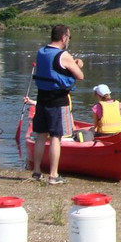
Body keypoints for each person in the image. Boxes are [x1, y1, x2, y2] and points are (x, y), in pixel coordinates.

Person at [31, 24, 84, 185]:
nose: (68, 40)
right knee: (56, 137)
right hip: (58, 101)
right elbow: (80, 76)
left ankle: (36, 171)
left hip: (42, 99)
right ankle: (53, 175)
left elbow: (51, 69)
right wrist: (78, 65)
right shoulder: (64, 55)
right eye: (69, 37)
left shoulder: (41, 52)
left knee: (40, 135)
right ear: (63, 38)